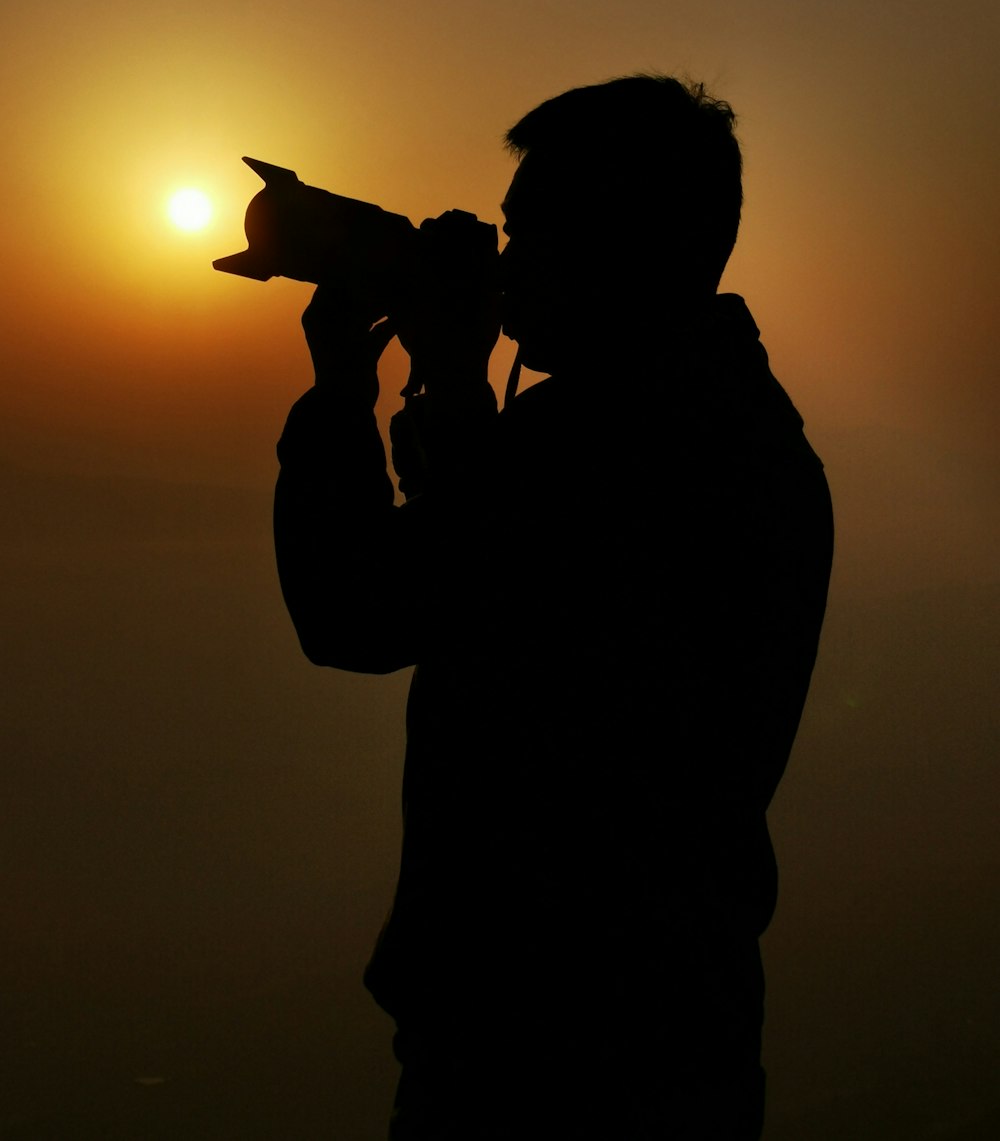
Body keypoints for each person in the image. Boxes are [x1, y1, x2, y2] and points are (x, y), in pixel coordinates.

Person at [273, 74, 834, 1139]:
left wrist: (341, 387)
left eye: (531, 236)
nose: (503, 263)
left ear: (627, 246)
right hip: (670, 1028)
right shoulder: (732, 428)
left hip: (539, 1056)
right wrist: (454, 382)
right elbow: (514, 601)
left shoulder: (604, 449)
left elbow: (355, 609)